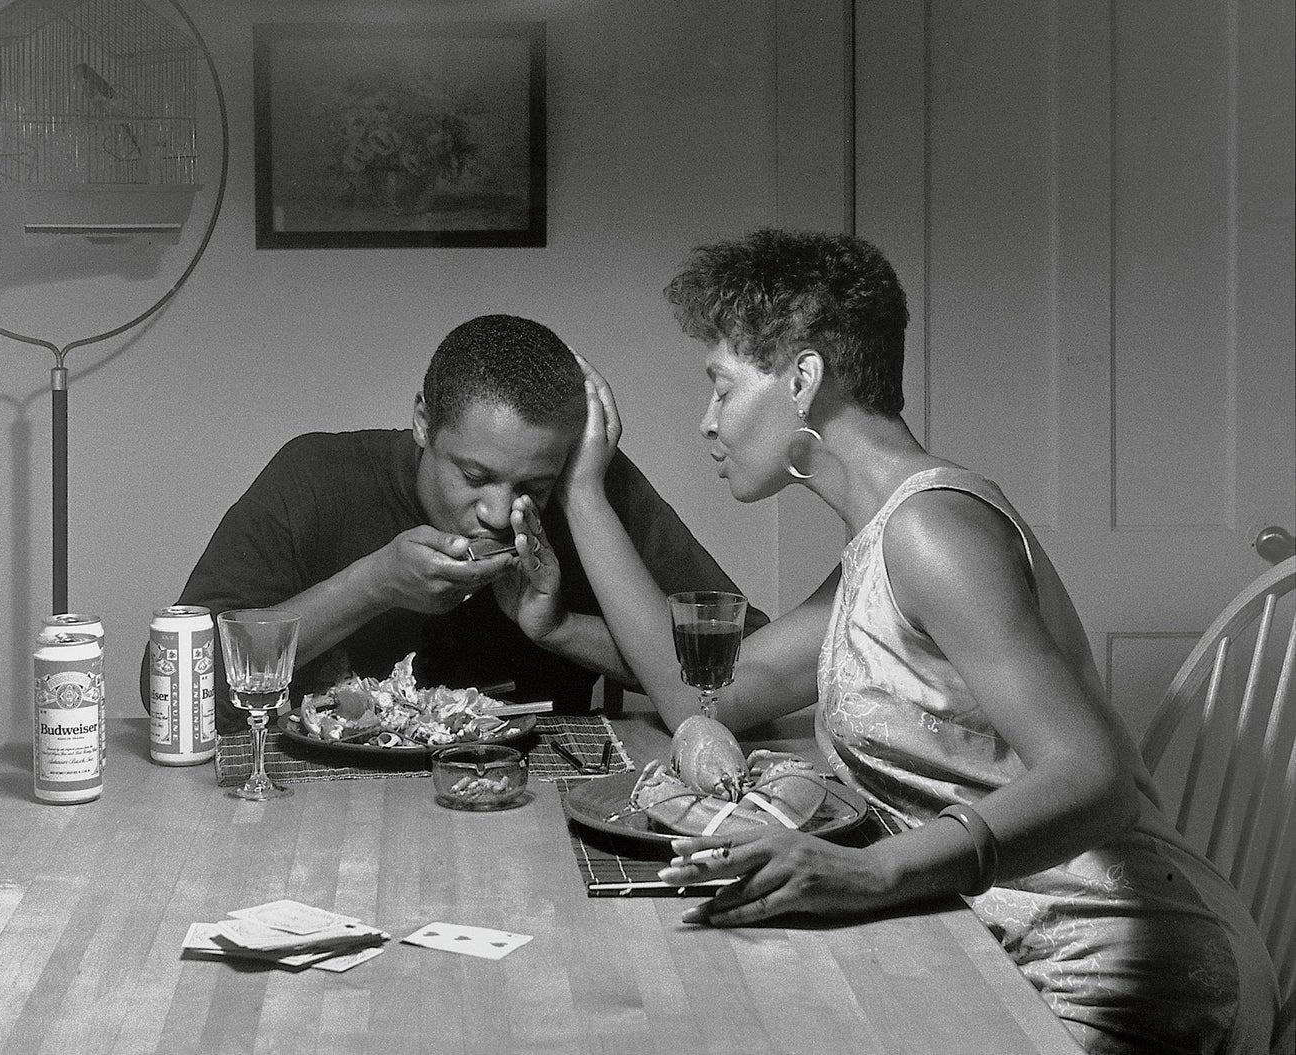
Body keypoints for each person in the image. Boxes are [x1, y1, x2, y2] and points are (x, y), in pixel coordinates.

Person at [513, 229, 1277, 1055]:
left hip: (1124, 976)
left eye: (722, 389)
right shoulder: (878, 548)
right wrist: (579, 520)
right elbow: (709, 695)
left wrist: (871, 870)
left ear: (802, 380)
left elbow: (1095, 778)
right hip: (997, 955)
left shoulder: (933, 531)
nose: (707, 424)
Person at [142, 314, 766, 730]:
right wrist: (373, 584)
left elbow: (739, 677)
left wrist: (562, 629)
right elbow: (170, 685)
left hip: (537, 810)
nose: (498, 512)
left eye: (534, 488)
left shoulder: (590, 489)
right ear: (422, 423)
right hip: (325, 808)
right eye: (473, 477)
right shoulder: (317, 475)